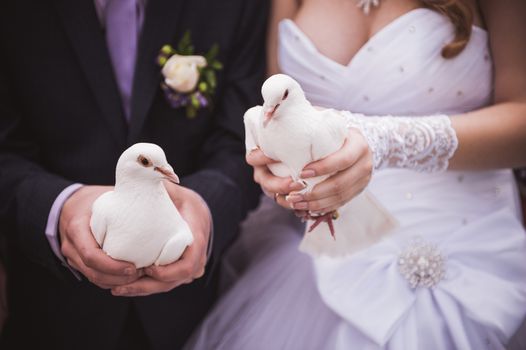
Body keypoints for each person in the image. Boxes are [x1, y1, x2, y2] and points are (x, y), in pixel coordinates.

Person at [185, 0, 526, 349]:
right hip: (316, 256)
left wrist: (382, 142)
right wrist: (277, 171)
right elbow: (276, 112)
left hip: (464, 252)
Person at [0, 0, 266, 349]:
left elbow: (242, 141)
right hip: (51, 312)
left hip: (193, 318)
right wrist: (58, 207)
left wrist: (205, 208)